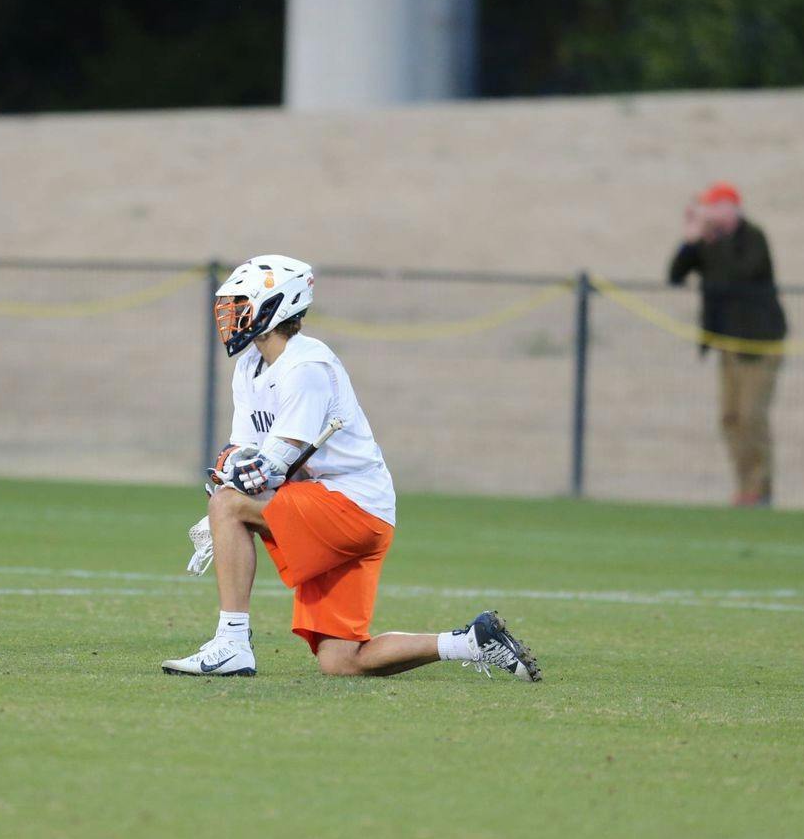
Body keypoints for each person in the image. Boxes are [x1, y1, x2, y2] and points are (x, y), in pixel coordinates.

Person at [164, 255, 541, 680]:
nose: (231, 316)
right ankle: (471, 641)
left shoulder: (305, 365)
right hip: (344, 508)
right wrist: (229, 468)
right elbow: (243, 448)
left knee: (231, 505)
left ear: (275, 306)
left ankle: (231, 644)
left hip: (351, 504)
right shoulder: (249, 367)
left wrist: (229, 493)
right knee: (342, 662)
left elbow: (275, 462)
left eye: (241, 304)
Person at [668, 181, 788, 507]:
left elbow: (737, 276)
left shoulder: (753, 238)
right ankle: (744, 487)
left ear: (730, 208)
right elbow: (676, 275)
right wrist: (690, 240)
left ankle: (759, 488)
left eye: (713, 207)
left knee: (752, 416)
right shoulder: (710, 243)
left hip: (759, 345)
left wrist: (710, 240)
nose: (708, 213)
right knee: (730, 418)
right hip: (728, 346)